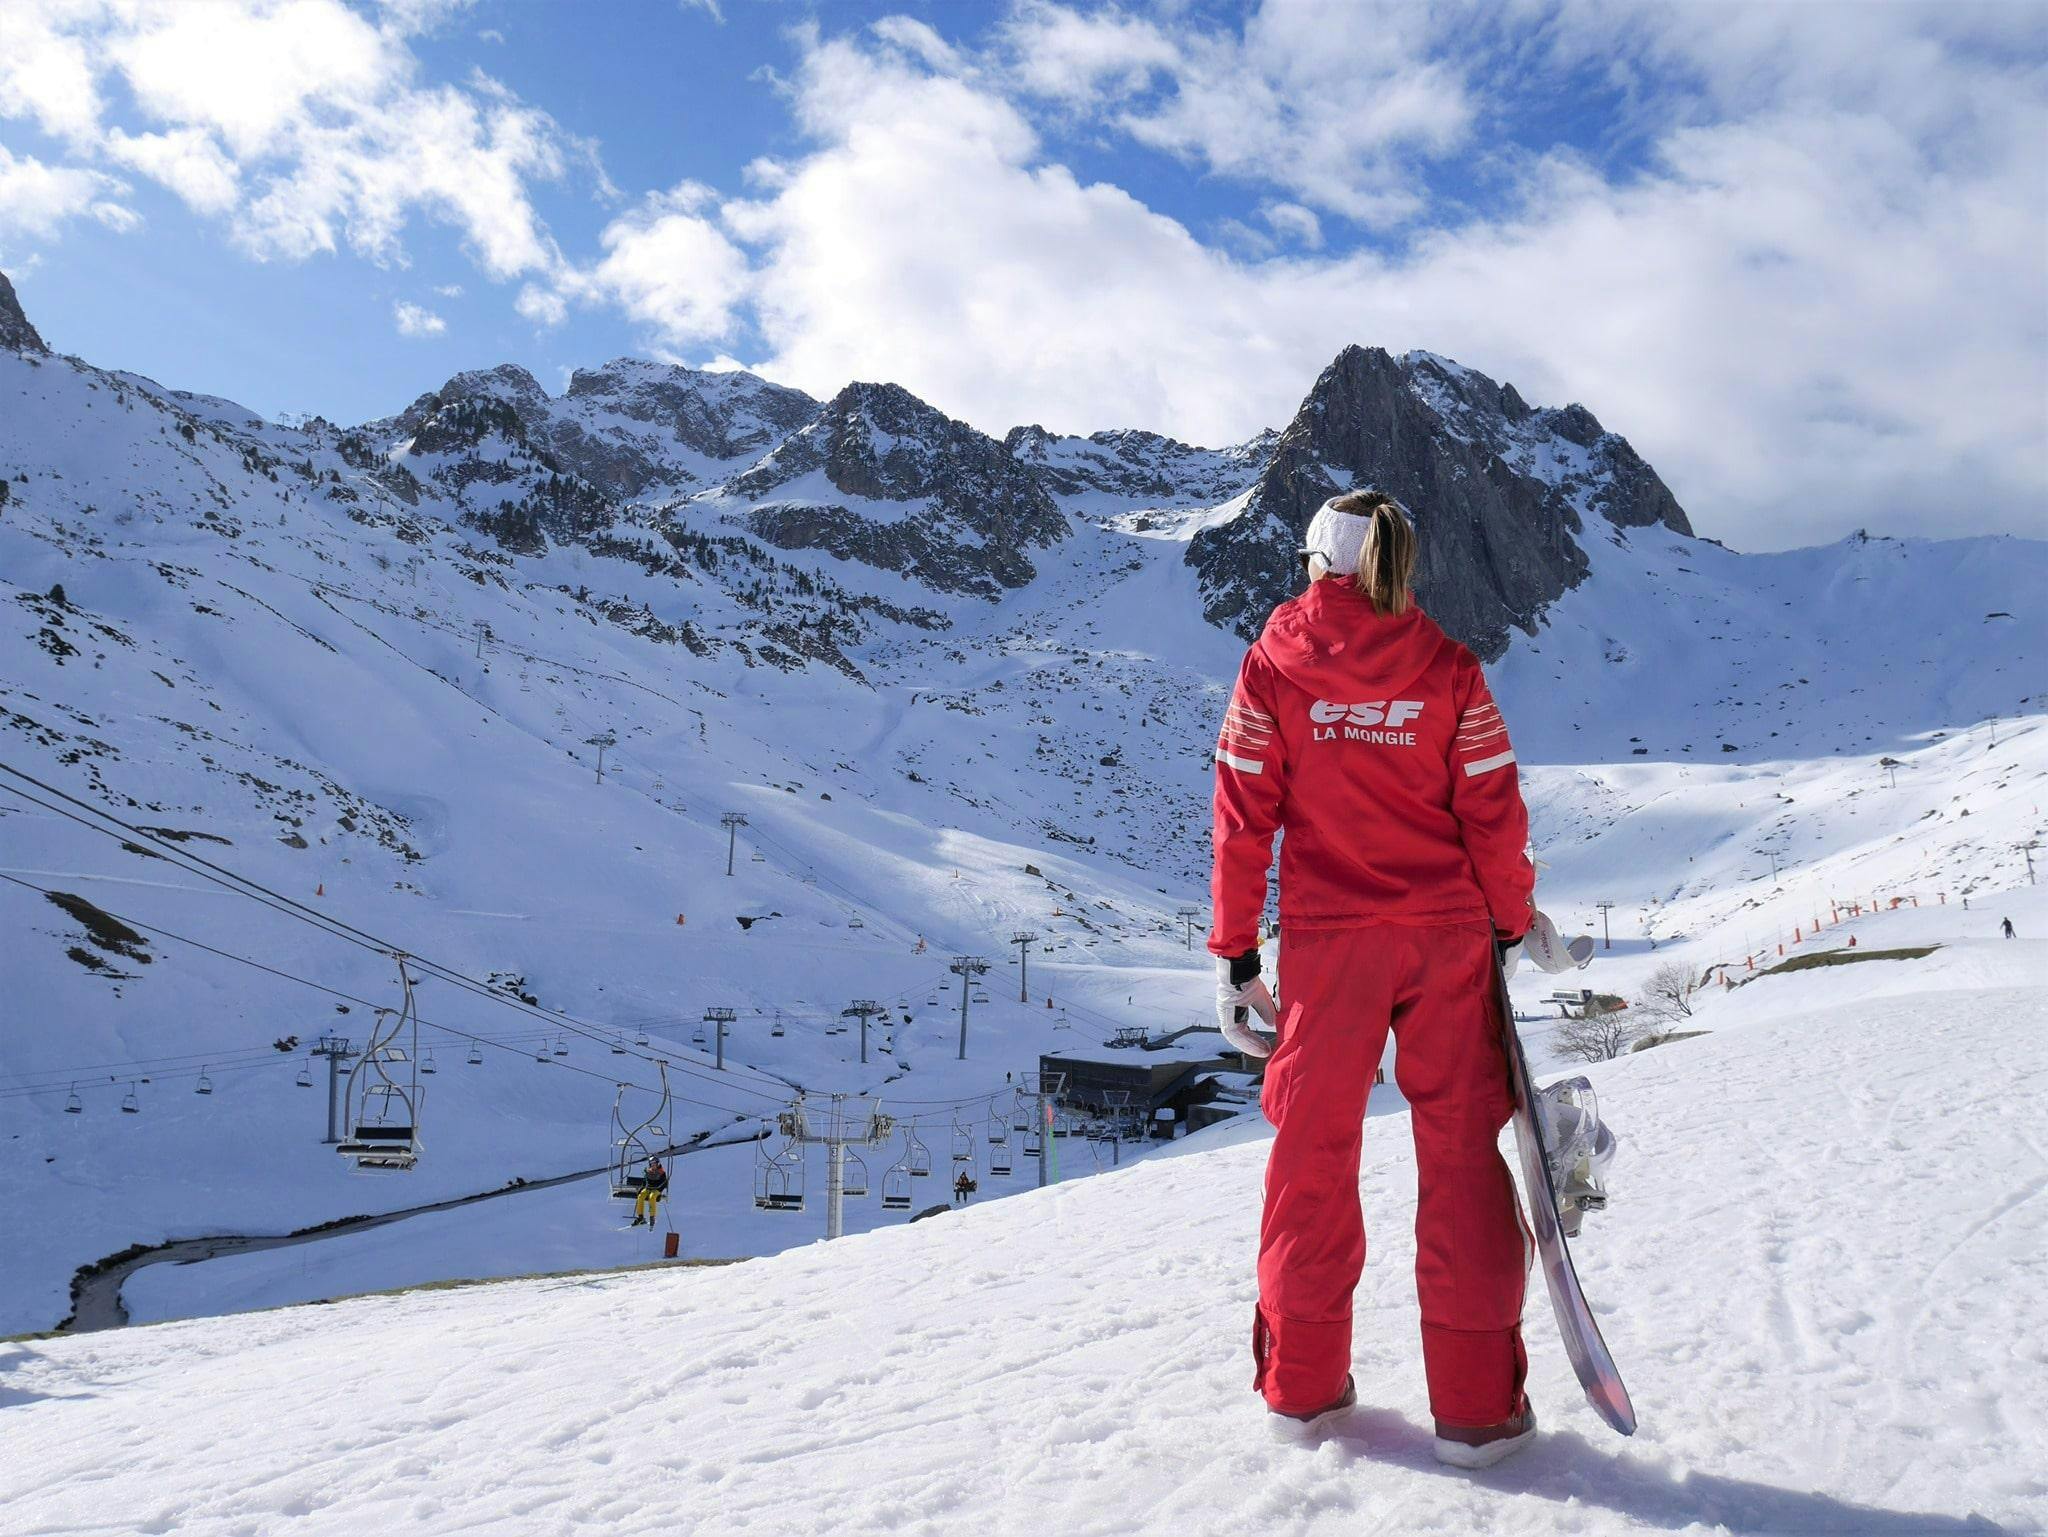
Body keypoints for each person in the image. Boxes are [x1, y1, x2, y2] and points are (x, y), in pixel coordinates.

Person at [1209, 490, 1539, 1469]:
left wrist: (1234, 955)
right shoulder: (1447, 668)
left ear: (1314, 559)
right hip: (1444, 940)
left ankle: (1301, 1390)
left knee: (1311, 1156)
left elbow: (1240, 818)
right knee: (1460, 1157)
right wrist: (1510, 925)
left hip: (1327, 942)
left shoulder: (1271, 664)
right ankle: (1478, 1410)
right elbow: (1493, 811)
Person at [632, 1156, 669, 1227]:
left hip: (657, 1189)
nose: (653, 1165)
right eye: (651, 1164)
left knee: (652, 1197)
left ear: (657, 1164)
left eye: (654, 1164)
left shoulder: (661, 1172)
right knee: (640, 1196)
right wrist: (641, 1189)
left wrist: (659, 1190)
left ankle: (652, 1217)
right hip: (648, 1188)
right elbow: (645, 1181)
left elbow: (664, 1183)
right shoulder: (649, 1171)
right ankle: (640, 1217)